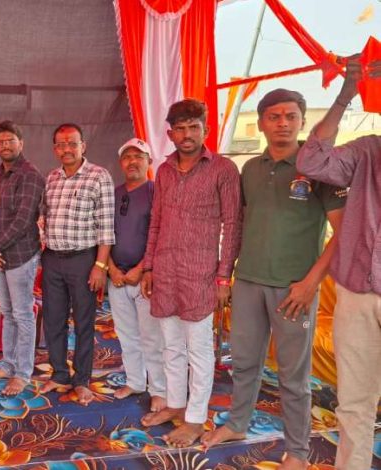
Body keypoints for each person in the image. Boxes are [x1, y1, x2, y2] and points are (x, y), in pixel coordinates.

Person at [201, 90, 345, 469]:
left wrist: (310, 283)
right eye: (274, 116)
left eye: (291, 116)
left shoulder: (318, 168)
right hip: (248, 280)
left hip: (294, 288)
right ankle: (237, 424)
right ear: (262, 122)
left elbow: (342, 233)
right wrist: (228, 276)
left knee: (294, 376)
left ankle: (297, 451)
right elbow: (240, 224)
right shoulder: (250, 168)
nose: (283, 123)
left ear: (301, 121)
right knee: (244, 362)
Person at [139, 99, 242, 447]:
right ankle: (175, 403)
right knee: (171, 345)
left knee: (199, 349)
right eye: (180, 129)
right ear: (170, 134)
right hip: (166, 271)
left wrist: (223, 277)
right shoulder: (164, 170)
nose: (187, 135)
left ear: (206, 130)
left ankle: (196, 419)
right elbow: (156, 221)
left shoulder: (223, 169)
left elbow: (233, 225)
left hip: (201, 273)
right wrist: (149, 266)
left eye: (193, 127)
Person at [296, 56, 381, 470]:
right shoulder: (368, 150)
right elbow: (311, 162)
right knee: (354, 402)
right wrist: (347, 94)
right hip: (358, 293)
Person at [40, 123, 115, 406]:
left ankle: (82, 379)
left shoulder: (99, 176)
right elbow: (45, 217)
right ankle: (59, 373)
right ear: (54, 149)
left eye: (72, 143)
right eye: (61, 145)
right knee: (53, 320)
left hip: (84, 260)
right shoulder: (52, 177)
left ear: (83, 145)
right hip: (52, 259)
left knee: (84, 322)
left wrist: (100, 266)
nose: (67, 149)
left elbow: (106, 227)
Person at [0, 120, 45, 396]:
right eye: (1, 141)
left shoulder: (30, 175)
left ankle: (22, 373)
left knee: (22, 314)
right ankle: (8, 364)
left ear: (21, 143)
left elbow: (23, 221)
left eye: (11, 140)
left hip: (20, 255)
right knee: (7, 312)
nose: (6, 145)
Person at [107, 138, 166, 412]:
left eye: (139, 157)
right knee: (126, 334)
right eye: (127, 157)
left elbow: (161, 235)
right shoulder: (113, 194)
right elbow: (102, 233)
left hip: (145, 278)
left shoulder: (157, 193)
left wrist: (141, 269)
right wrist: (111, 268)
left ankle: (159, 390)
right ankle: (135, 381)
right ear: (121, 163)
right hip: (116, 277)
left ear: (149, 162)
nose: (133, 162)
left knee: (152, 337)